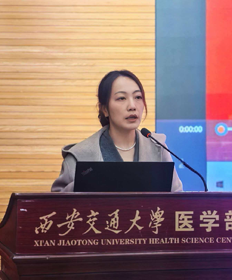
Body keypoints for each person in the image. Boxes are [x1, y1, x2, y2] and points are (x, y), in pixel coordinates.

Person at [51, 70, 182, 192]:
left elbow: (176, 199)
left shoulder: (157, 147)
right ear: (104, 109)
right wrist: (86, 182)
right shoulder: (80, 155)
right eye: (121, 98)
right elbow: (57, 205)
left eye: (138, 97)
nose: (132, 106)